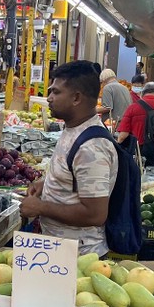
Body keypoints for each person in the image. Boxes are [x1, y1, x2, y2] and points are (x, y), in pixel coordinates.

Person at [20, 60, 118, 255]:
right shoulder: (73, 128)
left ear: (76, 98)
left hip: (79, 257)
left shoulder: (92, 147)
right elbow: (75, 178)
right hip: (61, 249)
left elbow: (95, 214)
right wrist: (47, 184)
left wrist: (41, 207)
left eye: (56, 92)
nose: (48, 98)